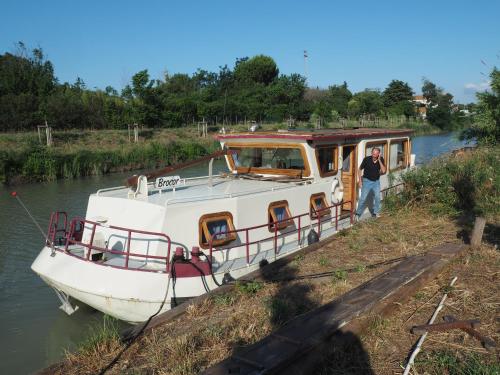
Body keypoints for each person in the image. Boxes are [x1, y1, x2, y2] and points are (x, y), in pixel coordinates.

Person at [356, 147, 386, 219]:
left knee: (377, 197)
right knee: (363, 198)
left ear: (378, 154)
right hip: (367, 181)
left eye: (376, 154)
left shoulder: (381, 159)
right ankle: (357, 214)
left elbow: (384, 170)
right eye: (373, 153)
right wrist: (360, 181)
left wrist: (379, 160)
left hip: (376, 182)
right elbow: (359, 170)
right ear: (371, 153)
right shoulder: (367, 159)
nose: (374, 155)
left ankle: (376, 213)